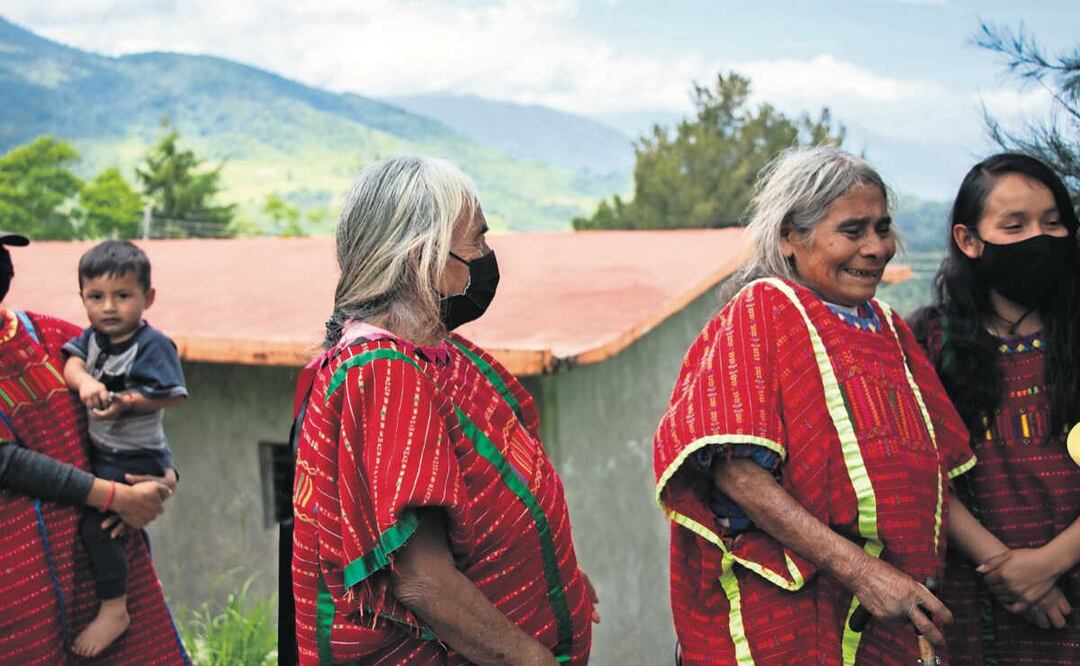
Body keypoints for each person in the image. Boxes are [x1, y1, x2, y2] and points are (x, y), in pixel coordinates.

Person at [653, 147, 976, 665]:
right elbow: (736, 474)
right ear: (790, 237)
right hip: (788, 614)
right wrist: (864, 572)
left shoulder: (889, 330)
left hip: (881, 610)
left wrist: (1008, 567)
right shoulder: (766, 310)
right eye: (853, 231)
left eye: (883, 227)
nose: (877, 248)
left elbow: (938, 475)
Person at [289, 156, 598, 665]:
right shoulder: (384, 373)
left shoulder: (439, 354)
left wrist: (556, 577)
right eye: (477, 239)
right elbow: (422, 579)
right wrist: (532, 659)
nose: (487, 256)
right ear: (421, 258)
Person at [910, 153, 1080, 664]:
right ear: (969, 240)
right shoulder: (928, 343)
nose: (1040, 238)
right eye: (1015, 225)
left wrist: (1051, 562)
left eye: (1053, 223)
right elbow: (925, 473)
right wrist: (1007, 569)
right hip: (979, 607)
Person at [0, 231, 187, 663]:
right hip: (17, 591)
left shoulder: (53, 338)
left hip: (100, 563)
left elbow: (139, 407)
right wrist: (118, 496)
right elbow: (6, 462)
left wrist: (162, 480)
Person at [61, 239, 188, 657]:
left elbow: (170, 394)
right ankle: (137, 582)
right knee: (118, 526)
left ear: (147, 298)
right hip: (106, 454)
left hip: (136, 459)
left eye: (122, 296)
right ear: (82, 298)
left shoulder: (152, 345)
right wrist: (87, 384)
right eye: (96, 297)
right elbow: (71, 364)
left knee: (98, 526)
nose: (109, 308)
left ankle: (115, 608)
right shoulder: (92, 338)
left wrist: (124, 402)